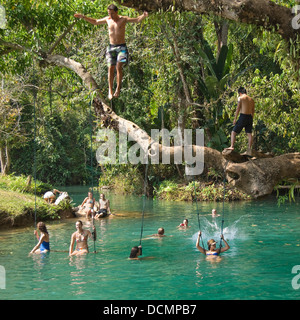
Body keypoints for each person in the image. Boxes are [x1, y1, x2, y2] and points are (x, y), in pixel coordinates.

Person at [74, 4, 148, 100]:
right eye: (109, 13)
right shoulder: (108, 20)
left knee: (119, 66)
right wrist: (83, 17)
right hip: (111, 47)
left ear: (116, 12)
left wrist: (144, 15)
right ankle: (110, 90)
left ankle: (118, 88)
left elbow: (137, 20)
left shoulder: (123, 19)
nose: (111, 15)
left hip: (121, 47)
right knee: (110, 68)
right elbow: (95, 22)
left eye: (112, 13)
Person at [225, 87, 255, 155]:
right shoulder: (251, 99)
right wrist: (251, 118)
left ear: (240, 93)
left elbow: (238, 108)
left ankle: (232, 146)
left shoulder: (240, 98)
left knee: (233, 132)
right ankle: (249, 149)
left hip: (243, 116)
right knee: (249, 133)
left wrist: (235, 118)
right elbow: (253, 110)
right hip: (250, 117)